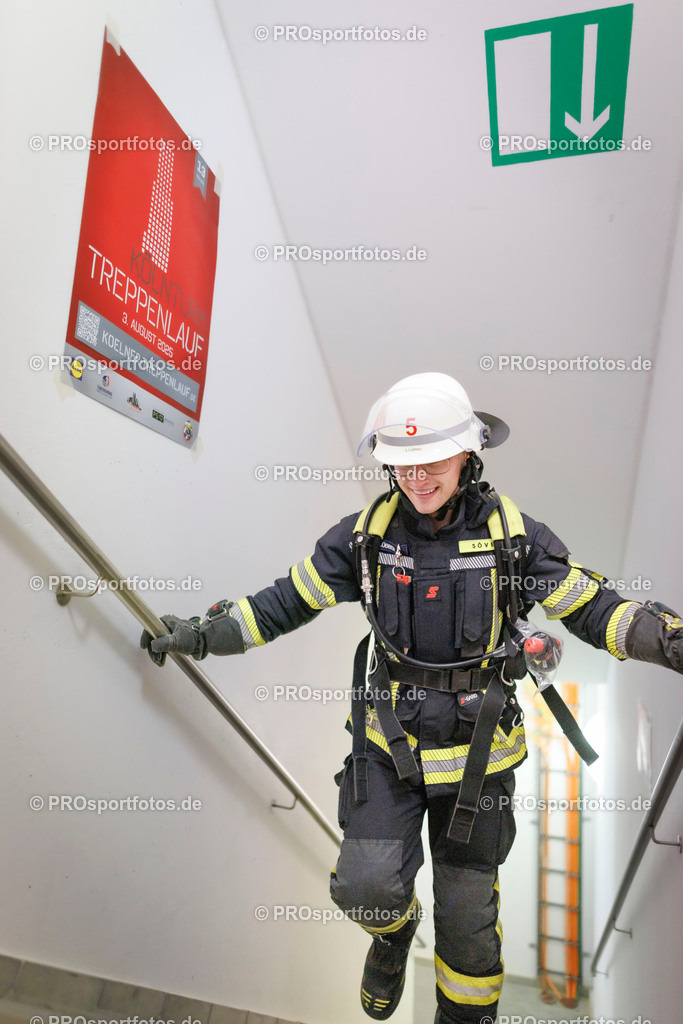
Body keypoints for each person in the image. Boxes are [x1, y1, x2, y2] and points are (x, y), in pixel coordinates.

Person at [141, 372, 683, 1024]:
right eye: (402, 463)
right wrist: (203, 636)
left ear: (468, 455)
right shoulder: (364, 539)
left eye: (432, 462)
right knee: (365, 890)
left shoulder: (515, 539)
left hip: (478, 762)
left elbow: (594, 608)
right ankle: (395, 936)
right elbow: (283, 603)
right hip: (387, 750)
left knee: (468, 934)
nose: (417, 478)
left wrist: (667, 641)